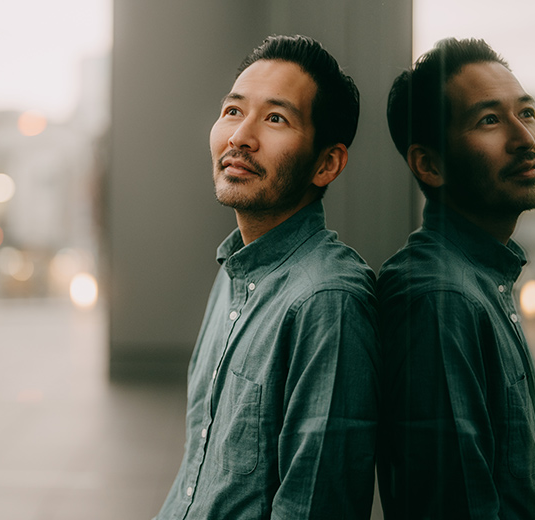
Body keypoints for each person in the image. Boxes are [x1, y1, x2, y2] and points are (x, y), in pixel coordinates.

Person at [153, 35, 380, 520]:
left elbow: (317, 504)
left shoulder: (328, 299)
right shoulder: (237, 269)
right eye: (233, 111)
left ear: (327, 163)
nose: (240, 137)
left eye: (275, 118)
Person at [377, 38, 535, 519]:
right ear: (430, 164)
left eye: (526, 113)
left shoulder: (482, 280)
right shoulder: (440, 299)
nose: (524, 138)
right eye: (489, 120)